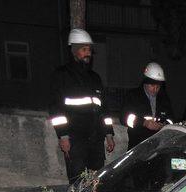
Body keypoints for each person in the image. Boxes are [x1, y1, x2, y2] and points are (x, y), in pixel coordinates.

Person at [49, 28, 115, 184]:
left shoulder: (95, 78)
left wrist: (109, 135)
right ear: (74, 51)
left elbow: (104, 109)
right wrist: (63, 136)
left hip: (96, 140)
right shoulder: (62, 75)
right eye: (84, 49)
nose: (88, 53)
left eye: (89, 50)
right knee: (78, 181)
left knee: (95, 182)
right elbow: (56, 109)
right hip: (75, 140)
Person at [121, 62, 175, 150]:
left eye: (158, 86)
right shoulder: (133, 96)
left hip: (158, 145)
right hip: (137, 145)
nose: (155, 89)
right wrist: (144, 123)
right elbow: (124, 117)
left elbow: (171, 119)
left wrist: (164, 125)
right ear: (145, 83)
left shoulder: (164, 98)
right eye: (152, 85)